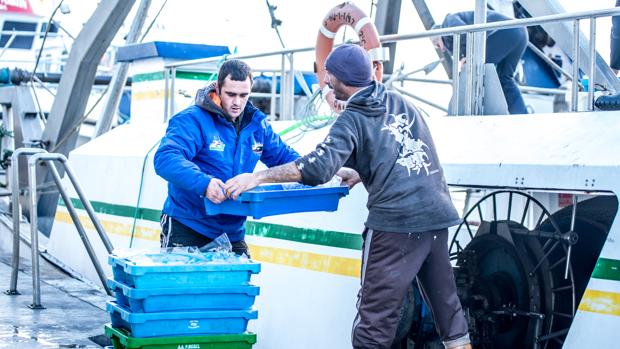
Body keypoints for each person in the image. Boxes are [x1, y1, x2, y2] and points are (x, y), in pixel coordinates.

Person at [224, 44, 471, 349]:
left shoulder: (351, 117)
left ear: (342, 80)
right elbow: (400, 148)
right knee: (449, 314)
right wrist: (362, 171)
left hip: (395, 226)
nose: (326, 83)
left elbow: (316, 168)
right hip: (436, 217)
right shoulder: (398, 101)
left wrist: (257, 176)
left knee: (373, 324)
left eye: (330, 78)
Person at [153, 59, 300, 255]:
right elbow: (166, 158)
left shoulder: (258, 125)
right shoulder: (192, 120)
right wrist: (205, 184)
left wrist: (320, 167)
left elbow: (285, 157)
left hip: (232, 233)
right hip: (188, 226)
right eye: (231, 94)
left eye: (243, 95)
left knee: (237, 285)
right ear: (218, 88)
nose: (237, 102)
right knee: (185, 286)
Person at [432, 10, 529, 114]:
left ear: (439, 34)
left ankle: (459, 112)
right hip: (520, 32)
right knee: (504, 78)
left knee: (473, 68)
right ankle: (522, 115)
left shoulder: (448, 21)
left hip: (506, 30)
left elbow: (465, 32)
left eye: (437, 45)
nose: (441, 50)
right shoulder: (452, 42)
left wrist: (469, 58)